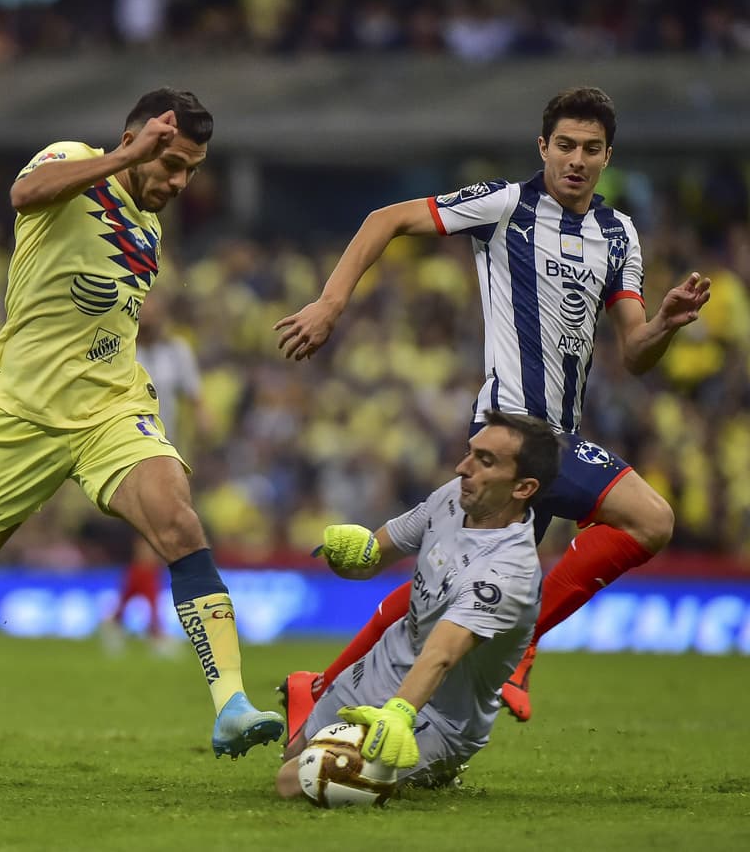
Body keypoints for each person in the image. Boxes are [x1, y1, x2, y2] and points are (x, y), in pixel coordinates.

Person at [0, 87, 285, 758]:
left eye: (192, 170)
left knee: (179, 522)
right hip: (20, 418)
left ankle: (232, 704)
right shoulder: (72, 162)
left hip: (111, 411)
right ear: (135, 141)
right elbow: (24, 194)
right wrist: (124, 155)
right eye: (171, 162)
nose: (180, 182)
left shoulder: (148, 229)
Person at [273, 86, 711, 729]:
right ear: (543, 147)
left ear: (607, 157)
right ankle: (525, 642)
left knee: (444, 588)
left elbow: (635, 352)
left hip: (557, 433)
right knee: (651, 521)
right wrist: (331, 303)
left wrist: (667, 324)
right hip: (510, 428)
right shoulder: (507, 204)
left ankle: (320, 684)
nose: (576, 159)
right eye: (565, 145)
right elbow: (384, 219)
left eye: (591, 149)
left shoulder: (617, 234)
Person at [276, 411, 561, 800]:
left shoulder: (506, 573)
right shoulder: (452, 498)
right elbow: (374, 558)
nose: (464, 468)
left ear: (523, 487)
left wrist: (399, 714)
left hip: (436, 715)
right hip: (378, 667)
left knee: (295, 782)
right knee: (294, 757)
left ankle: (434, 765)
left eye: (486, 461)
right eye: (470, 453)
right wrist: (353, 557)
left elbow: (440, 655)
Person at [101, 293, 210, 654]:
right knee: (150, 543)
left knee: (148, 544)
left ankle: (117, 620)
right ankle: (154, 629)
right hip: (125, 450)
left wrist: (203, 423)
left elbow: (195, 399)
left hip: (166, 453)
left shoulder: (178, 351)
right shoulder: (119, 350)